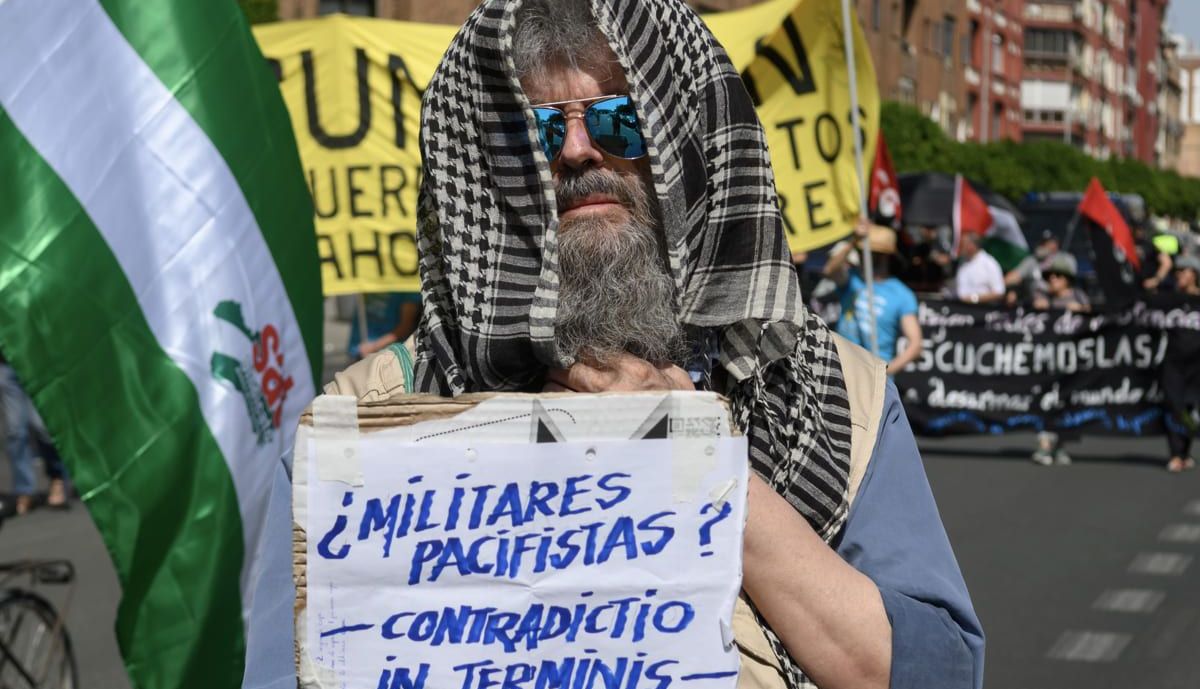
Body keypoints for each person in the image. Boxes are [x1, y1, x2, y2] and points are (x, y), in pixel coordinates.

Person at [327, 2, 983, 688]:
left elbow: (935, 671)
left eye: (619, 120)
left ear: (689, 141)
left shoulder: (835, 397)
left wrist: (700, 458)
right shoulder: (373, 412)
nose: (579, 151)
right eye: (539, 131)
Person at [823, 221, 923, 376]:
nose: (867, 257)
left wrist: (885, 372)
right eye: (864, 252)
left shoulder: (902, 294)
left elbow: (915, 345)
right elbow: (829, 270)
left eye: (874, 254)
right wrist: (853, 241)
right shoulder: (851, 280)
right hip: (842, 370)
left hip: (875, 374)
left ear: (886, 257)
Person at [1028, 254, 1090, 466]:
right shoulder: (1043, 296)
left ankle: (1060, 444)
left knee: (1066, 404)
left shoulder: (1079, 297)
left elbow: (1093, 323)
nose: (1052, 280)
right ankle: (1045, 445)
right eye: (1049, 276)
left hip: (1071, 363)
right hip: (1046, 361)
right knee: (1046, 402)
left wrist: (1079, 311)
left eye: (1058, 276)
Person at [1, 361, 67, 515]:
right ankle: (24, 490)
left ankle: (57, 477)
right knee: (15, 430)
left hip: (32, 361)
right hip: (4, 363)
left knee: (42, 426)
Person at [1163, 254, 1200, 473]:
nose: (1180, 276)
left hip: (1197, 364)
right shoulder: (1170, 300)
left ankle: (1185, 450)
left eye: (1184, 272)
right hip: (1174, 362)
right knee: (1173, 405)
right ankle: (1176, 453)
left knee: (1189, 406)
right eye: (1177, 272)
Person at [346, 291, 422, 359]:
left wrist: (374, 347)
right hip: (358, 349)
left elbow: (406, 326)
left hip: (387, 355)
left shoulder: (408, 288)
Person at [954, 231, 1005, 304]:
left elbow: (999, 291)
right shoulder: (962, 262)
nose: (960, 247)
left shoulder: (989, 263)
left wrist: (974, 298)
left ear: (971, 246)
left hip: (982, 308)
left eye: (963, 244)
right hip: (960, 307)